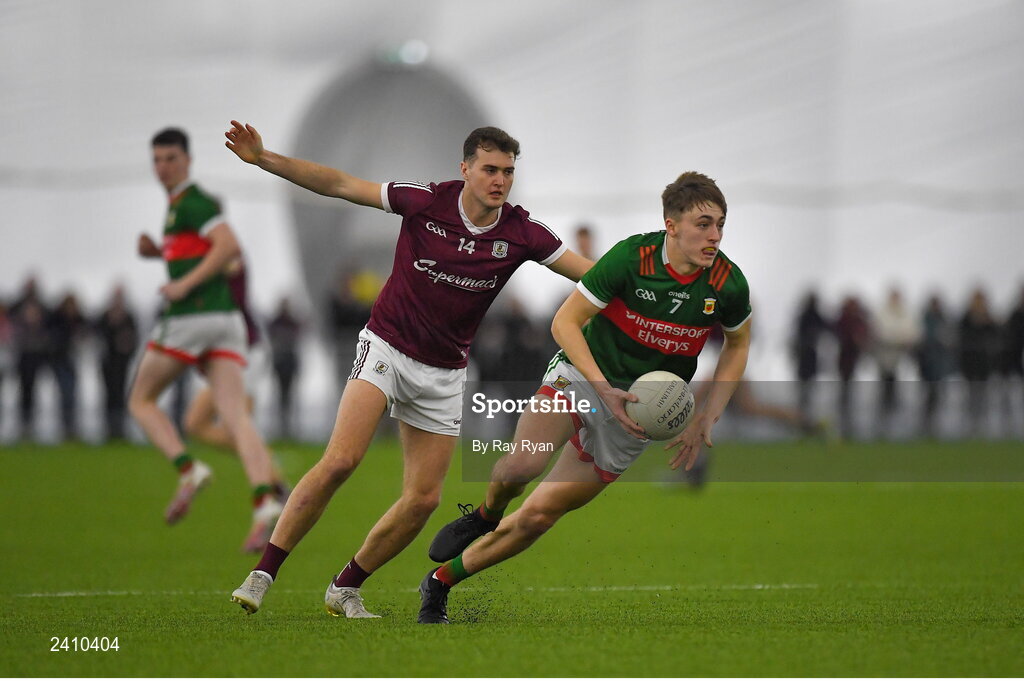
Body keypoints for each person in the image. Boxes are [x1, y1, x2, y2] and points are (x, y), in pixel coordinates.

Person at [224, 121, 591, 618]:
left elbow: (595, 276)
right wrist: (266, 159)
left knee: (422, 500)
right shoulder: (424, 200)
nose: (499, 180)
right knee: (341, 460)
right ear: (464, 169)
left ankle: (346, 586)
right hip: (387, 347)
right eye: (489, 169)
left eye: (507, 171)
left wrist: (658, 276)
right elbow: (337, 184)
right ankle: (262, 573)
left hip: (443, 372)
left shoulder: (523, 232)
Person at [421, 171, 751, 624]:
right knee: (521, 466)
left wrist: (706, 417)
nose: (714, 235)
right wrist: (603, 389)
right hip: (582, 377)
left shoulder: (727, 283)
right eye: (703, 224)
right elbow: (564, 323)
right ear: (671, 225)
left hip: (635, 419)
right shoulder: (632, 258)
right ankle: (484, 514)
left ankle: (440, 582)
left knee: (538, 516)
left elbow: (738, 346)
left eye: (720, 225)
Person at [128, 127, 283, 552]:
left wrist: (182, 285)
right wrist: (158, 254)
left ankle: (187, 469)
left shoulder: (195, 202)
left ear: (187, 160)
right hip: (228, 327)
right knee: (233, 417)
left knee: (140, 400)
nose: (163, 167)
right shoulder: (181, 211)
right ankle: (265, 499)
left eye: (170, 158)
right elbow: (204, 249)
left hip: (196, 320)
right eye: (157, 159)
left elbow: (227, 246)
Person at [871, 287, 920, 439]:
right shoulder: (882, 313)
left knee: (899, 395)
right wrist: (897, 338)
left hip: (903, 361)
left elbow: (912, 333)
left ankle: (898, 429)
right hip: (885, 360)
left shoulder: (905, 313)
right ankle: (881, 428)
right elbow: (881, 332)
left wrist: (900, 339)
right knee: (884, 393)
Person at [95, 285, 139, 441]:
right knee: (108, 395)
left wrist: (128, 347)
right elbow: (97, 337)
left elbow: (135, 339)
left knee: (121, 394)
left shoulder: (129, 317)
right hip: (107, 362)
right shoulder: (104, 317)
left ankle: (120, 430)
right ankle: (108, 430)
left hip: (122, 362)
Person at [916, 293, 954, 438]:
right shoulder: (925, 320)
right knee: (927, 397)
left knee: (938, 397)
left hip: (940, 367)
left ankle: (934, 427)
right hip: (927, 367)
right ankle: (925, 427)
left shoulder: (943, 319)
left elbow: (949, 339)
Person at [267, 296, 303, 440]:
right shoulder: (277, 322)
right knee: (281, 397)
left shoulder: (291, 322)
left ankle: (289, 429)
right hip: (281, 363)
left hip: (289, 363)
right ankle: (281, 429)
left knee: (290, 397)